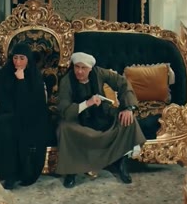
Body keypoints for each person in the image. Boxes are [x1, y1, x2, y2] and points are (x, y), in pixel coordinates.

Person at [56, 52, 146, 188]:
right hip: (78, 119)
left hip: (101, 114)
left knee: (128, 120)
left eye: (83, 68)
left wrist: (128, 108)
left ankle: (120, 162)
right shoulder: (66, 81)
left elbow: (122, 82)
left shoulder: (99, 73)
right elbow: (65, 111)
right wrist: (87, 103)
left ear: (90, 69)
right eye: (77, 67)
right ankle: (71, 171)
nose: (79, 71)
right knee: (64, 128)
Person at [0, 43, 51, 190]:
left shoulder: (34, 76)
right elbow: (2, 98)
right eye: (15, 58)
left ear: (28, 59)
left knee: (11, 126)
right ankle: (7, 174)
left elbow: (33, 104)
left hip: (31, 116)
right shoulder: (5, 73)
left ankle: (10, 175)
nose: (17, 62)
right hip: (9, 113)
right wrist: (14, 112)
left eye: (21, 58)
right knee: (5, 124)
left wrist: (21, 81)